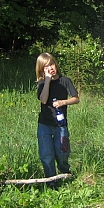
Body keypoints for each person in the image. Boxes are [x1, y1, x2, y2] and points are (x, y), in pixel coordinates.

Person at [36, 53, 80, 184]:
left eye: (52, 64)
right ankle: (51, 181)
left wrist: (63, 102)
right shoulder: (42, 83)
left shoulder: (65, 81)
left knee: (62, 153)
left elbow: (76, 99)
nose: (50, 68)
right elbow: (43, 100)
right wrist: (47, 81)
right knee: (46, 154)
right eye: (46, 67)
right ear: (41, 70)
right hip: (45, 124)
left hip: (60, 125)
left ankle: (65, 174)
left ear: (56, 64)